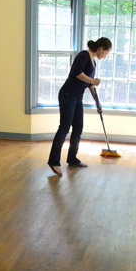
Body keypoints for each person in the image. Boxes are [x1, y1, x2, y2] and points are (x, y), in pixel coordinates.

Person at [48, 37, 112, 176]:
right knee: (64, 128)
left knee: (78, 128)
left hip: (77, 98)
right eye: (106, 53)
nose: (105, 56)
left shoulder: (93, 62)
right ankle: (53, 161)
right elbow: (77, 74)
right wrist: (93, 80)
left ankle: (72, 159)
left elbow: (90, 85)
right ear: (100, 48)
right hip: (67, 95)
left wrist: (97, 102)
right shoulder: (84, 55)